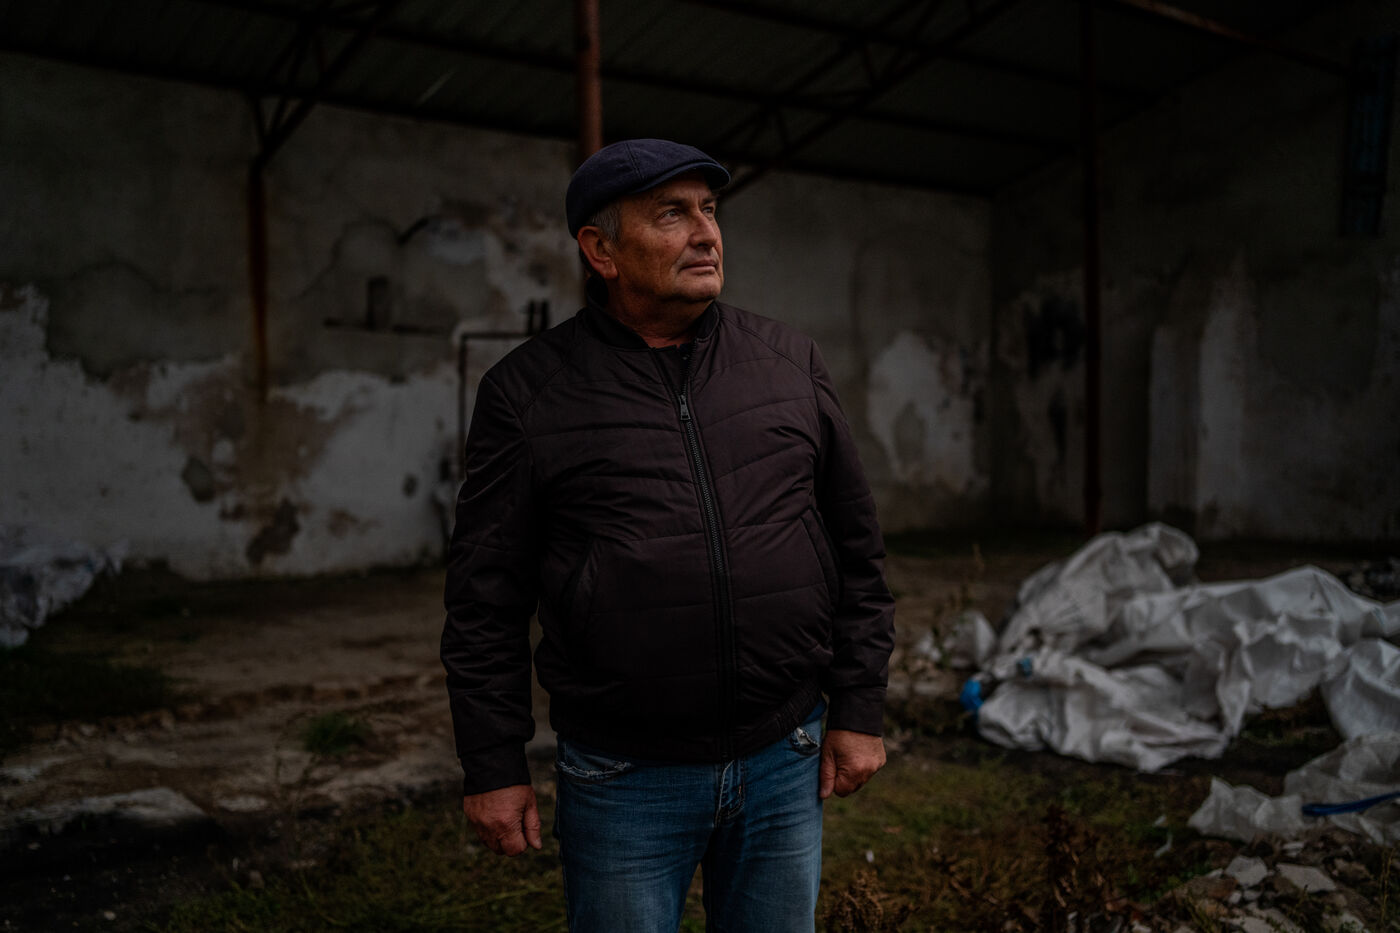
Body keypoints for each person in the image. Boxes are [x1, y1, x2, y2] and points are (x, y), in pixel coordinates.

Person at [442, 138, 895, 932]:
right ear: (601, 250)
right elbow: (485, 598)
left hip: (782, 755)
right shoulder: (527, 393)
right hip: (624, 776)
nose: (707, 233)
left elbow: (856, 549)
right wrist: (492, 762)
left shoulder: (789, 363)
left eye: (710, 211)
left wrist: (858, 705)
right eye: (672, 214)